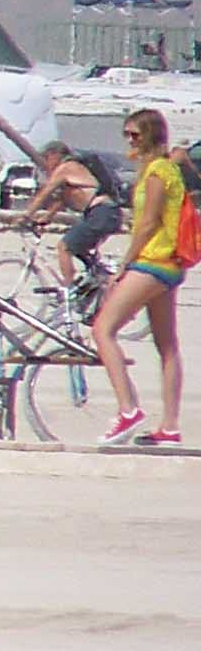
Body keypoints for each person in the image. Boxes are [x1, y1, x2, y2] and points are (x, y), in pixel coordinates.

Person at [91, 108, 187, 448]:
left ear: (151, 134)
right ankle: (170, 427)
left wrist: (123, 266)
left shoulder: (159, 171)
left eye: (136, 134)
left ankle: (128, 409)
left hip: (154, 260)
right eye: (127, 135)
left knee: (103, 329)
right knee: (167, 344)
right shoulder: (163, 169)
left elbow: (147, 223)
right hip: (169, 264)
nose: (130, 141)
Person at [21, 140, 126, 291]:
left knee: (64, 247)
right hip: (106, 213)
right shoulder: (75, 170)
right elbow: (64, 198)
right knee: (81, 251)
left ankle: (68, 292)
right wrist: (47, 217)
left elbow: (45, 193)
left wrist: (26, 215)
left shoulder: (66, 168)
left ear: (55, 155)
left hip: (101, 213)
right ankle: (95, 286)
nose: (45, 163)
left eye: (46, 157)